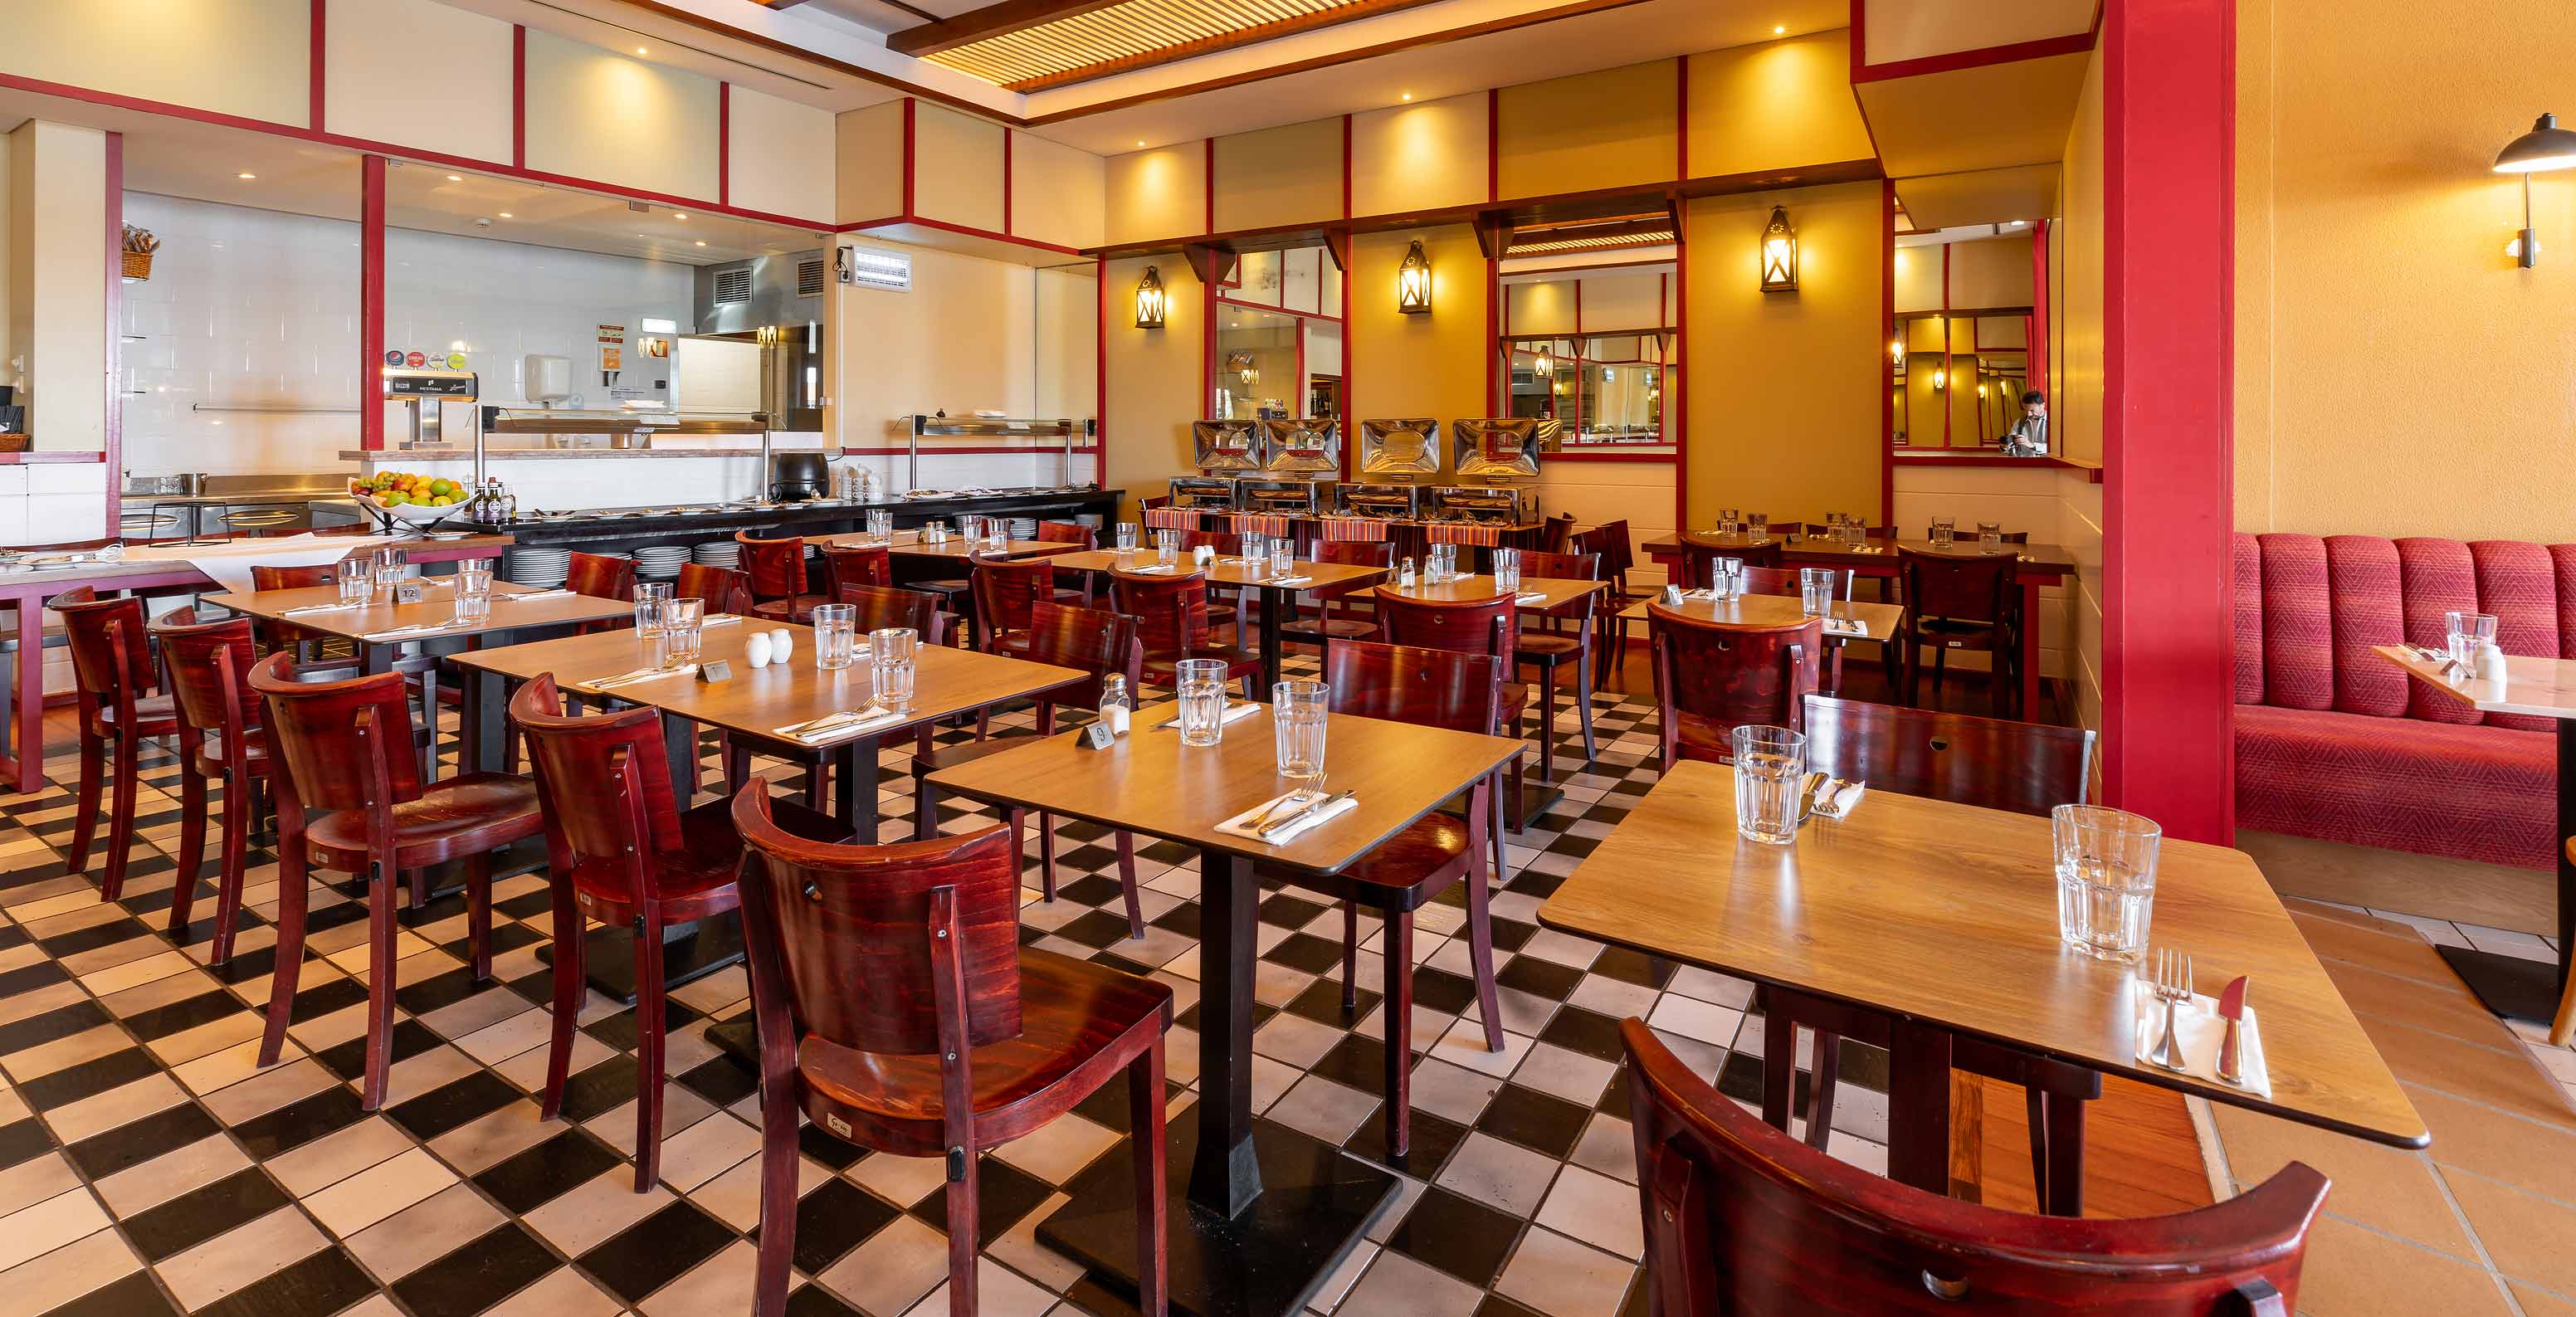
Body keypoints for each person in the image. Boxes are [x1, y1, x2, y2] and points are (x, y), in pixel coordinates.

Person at [2002, 389, 2049, 456]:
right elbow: (2010, 444)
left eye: (2032, 410)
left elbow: (2055, 449)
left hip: (2047, 465)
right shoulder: (2020, 422)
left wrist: (2033, 445)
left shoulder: (2053, 423)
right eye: (2026, 410)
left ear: (2042, 405)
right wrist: (2006, 446)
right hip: (2024, 465)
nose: (2029, 414)